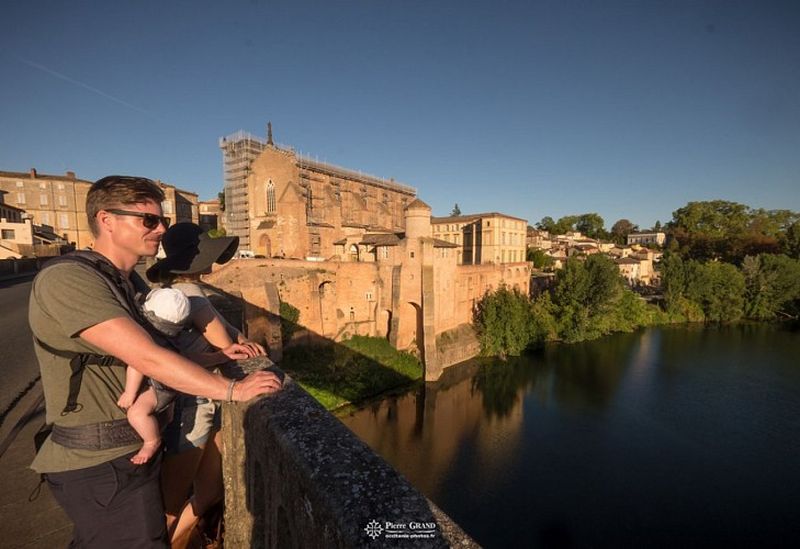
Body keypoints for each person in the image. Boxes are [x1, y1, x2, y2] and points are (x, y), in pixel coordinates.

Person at [29, 175, 282, 548]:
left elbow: (168, 350)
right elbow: (147, 356)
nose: (161, 228)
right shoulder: (68, 280)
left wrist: (217, 354)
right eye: (148, 220)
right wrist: (232, 388)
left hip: (130, 452)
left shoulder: (131, 285)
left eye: (160, 219)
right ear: (106, 220)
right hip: (99, 462)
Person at [145, 221, 268, 544]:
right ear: (193, 259)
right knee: (170, 505)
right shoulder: (191, 295)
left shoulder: (188, 292)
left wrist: (237, 343)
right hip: (190, 409)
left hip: (204, 403)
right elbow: (225, 340)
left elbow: (232, 336)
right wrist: (236, 345)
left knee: (210, 490)